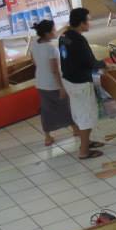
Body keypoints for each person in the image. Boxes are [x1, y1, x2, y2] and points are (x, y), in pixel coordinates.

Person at [59, 8, 106, 160]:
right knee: (86, 116)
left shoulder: (64, 36)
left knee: (79, 114)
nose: (89, 23)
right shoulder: (79, 40)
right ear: (81, 23)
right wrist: (104, 64)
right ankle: (84, 151)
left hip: (69, 80)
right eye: (88, 20)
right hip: (80, 82)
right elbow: (90, 62)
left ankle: (86, 142)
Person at [30, 19, 77, 147]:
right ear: (47, 33)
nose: (55, 31)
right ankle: (75, 129)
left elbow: (34, 61)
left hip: (40, 82)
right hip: (53, 84)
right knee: (66, 107)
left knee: (47, 110)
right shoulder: (51, 49)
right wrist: (61, 87)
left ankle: (47, 137)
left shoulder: (34, 42)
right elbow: (55, 70)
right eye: (53, 29)